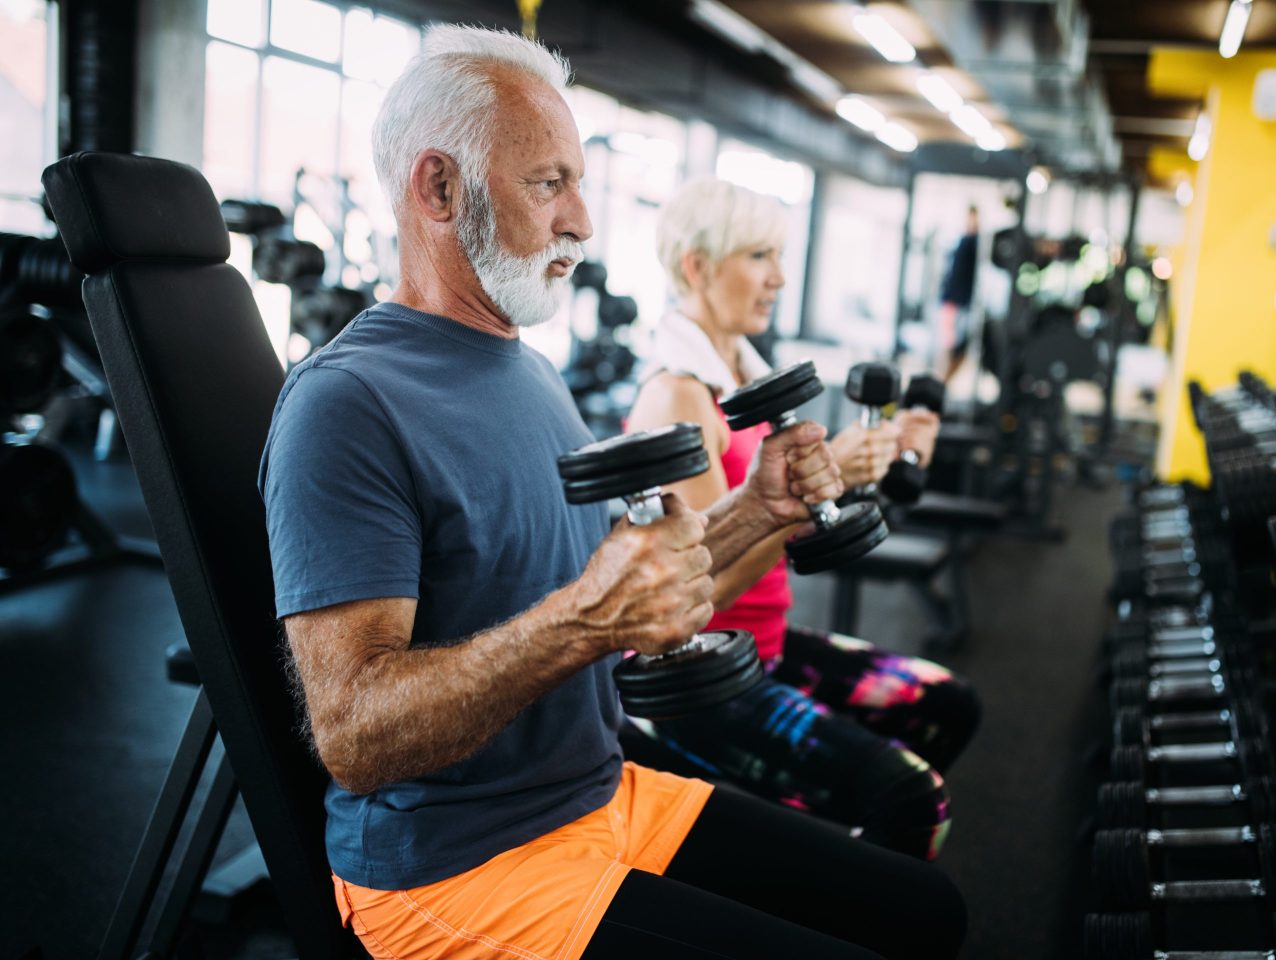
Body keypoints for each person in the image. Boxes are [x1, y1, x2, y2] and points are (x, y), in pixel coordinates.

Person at [259, 25, 965, 960]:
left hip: (599, 791)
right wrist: (581, 625)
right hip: (457, 865)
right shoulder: (346, 404)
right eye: (549, 183)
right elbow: (352, 734)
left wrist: (761, 506)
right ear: (439, 188)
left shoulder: (527, 368)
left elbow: (624, 586)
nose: (582, 221)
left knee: (925, 913)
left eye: (577, 184)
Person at [620, 178, 980, 864]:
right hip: (700, 679)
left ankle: (837, 857)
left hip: (768, 643)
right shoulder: (678, 396)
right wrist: (822, 484)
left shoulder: (743, 380)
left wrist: (882, 458)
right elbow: (693, 597)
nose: (780, 278)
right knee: (914, 802)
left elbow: (804, 522)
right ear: (697, 266)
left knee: (945, 705)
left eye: (778, 257)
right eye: (760, 256)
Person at [941, 206, 980, 385]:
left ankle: (945, 381)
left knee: (961, 347)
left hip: (961, 302)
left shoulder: (973, 243)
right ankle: (943, 381)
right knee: (951, 345)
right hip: (953, 302)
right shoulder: (963, 241)